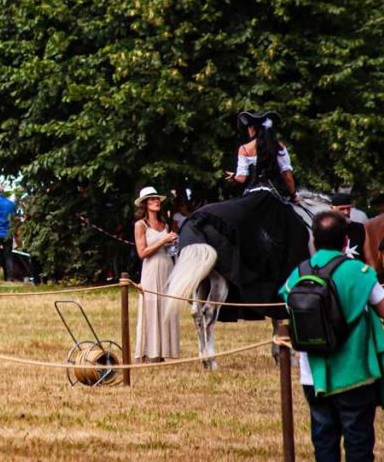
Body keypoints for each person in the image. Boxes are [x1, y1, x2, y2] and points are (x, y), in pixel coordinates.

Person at [280, 211, 384, 461]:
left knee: (323, 442)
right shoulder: (358, 271)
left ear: (314, 240)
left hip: (312, 374)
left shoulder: (298, 273)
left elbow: (288, 304)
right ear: (345, 241)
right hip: (354, 373)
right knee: (358, 442)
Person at [178, 111, 309, 320]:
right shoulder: (280, 148)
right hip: (273, 201)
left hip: (252, 198)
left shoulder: (245, 149)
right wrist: (293, 196)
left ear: (252, 129)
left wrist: (232, 178)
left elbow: (241, 178)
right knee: (296, 234)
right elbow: (287, 176)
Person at [132, 187, 179, 362]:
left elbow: (170, 251)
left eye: (157, 199)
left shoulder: (165, 225)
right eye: (152, 200)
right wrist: (162, 241)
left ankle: (161, 351)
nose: (156, 202)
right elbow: (142, 252)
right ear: (145, 204)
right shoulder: (140, 225)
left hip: (167, 267)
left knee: (165, 308)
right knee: (151, 308)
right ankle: (148, 352)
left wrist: (173, 243)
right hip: (151, 269)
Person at [328, 192, 367, 261]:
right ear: (332, 208)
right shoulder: (325, 230)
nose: (346, 212)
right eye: (342, 209)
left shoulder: (359, 228)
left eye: (348, 208)